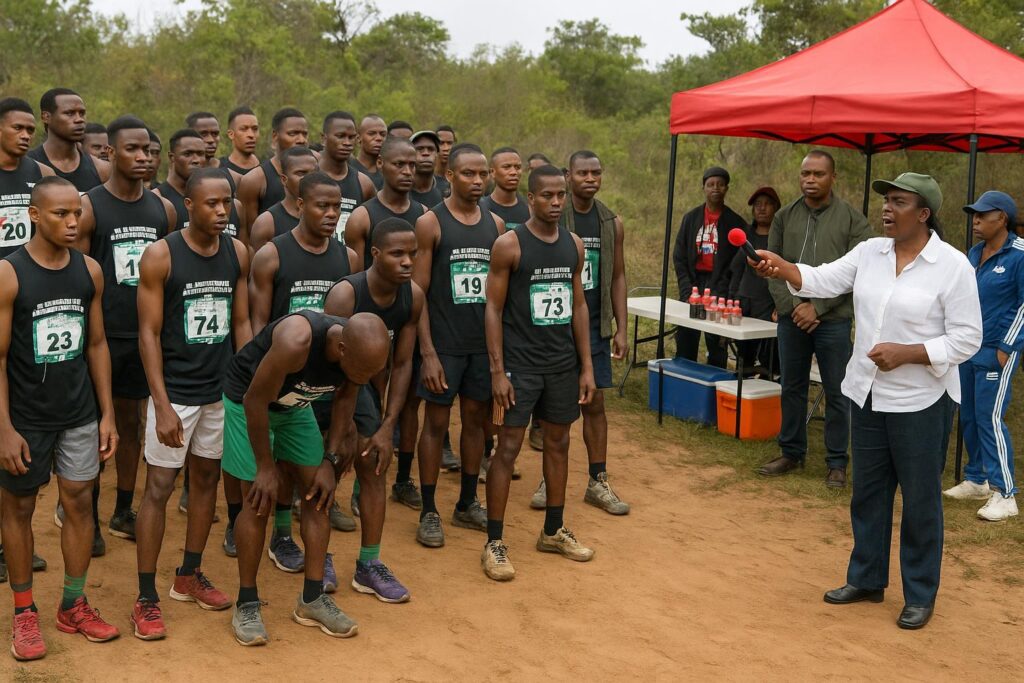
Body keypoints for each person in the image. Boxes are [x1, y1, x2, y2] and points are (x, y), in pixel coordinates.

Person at [753, 172, 982, 630]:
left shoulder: (953, 266)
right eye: (886, 201)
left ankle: (919, 593)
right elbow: (820, 279)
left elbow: (968, 338)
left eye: (898, 202)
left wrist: (909, 353)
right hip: (869, 394)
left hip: (921, 400)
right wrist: (783, 268)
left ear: (924, 213)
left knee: (920, 501)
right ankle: (867, 578)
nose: (886, 209)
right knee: (869, 494)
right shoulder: (869, 253)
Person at [0, 177, 121, 660]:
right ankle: (24, 612)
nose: (72, 222)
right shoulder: (9, 274)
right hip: (25, 418)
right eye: (59, 214)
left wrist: (107, 414)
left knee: (79, 503)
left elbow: (96, 344)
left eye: (77, 214)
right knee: (19, 508)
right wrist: (4, 428)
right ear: (33, 214)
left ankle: (73, 603)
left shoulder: (89, 270)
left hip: (78, 414)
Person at [222, 311, 389, 645]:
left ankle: (312, 599)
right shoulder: (296, 340)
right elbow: (255, 399)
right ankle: (247, 603)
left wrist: (329, 459)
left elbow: (346, 397)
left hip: (295, 406)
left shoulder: (360, 355)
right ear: (342, 349)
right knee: (257, 500)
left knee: (318, 495)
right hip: (250, 405)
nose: (367, 378)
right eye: (363, 371)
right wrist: (265, 467)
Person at [132, 169, 251, 639]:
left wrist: (241, 386)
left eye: (228, 203)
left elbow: (241, 322)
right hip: (176, 393)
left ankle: (189, 573)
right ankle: (145, 597)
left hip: (219, 392)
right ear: (188, 204)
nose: (222, 212)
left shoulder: (236, 252)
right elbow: (148, 333)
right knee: (159, 487)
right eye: (212, 204)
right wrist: (160, 403)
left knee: (206, 481)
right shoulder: (162, 255)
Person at [482, 164, 596, 581]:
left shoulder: (574, 245)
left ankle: (553, 529)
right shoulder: (510, 245)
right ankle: (494, 541)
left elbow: (579, 305)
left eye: (560, 196)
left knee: (559, 442)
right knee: (507, 448)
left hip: (561, 364)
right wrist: (498, 371)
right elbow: (492, 309)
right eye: (546, 195)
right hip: (520, 365)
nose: (555, 202)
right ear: (530, 199)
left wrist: (586, 365)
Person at [249, 172, 360, 567]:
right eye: (322, 206)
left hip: (326, 378)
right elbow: (258, 326)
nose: (332, 214)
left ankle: (316, 550)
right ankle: (280, 534)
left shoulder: (347, 258)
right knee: (277, 460)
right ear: (299, 206)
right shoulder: (272, 254)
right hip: (282, 377)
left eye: (338, 207)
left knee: (322, 457)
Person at [76, 116, 175, 544]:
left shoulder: (163, 208)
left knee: (134, 425)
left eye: (149, 151)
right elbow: (77, 277)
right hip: (102, 336)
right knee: (99, 424)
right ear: (111, 153)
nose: (143, 157)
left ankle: (121, 510)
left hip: (143, 335)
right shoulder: (90, 206)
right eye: (132, 150)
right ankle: (89, 517)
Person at [759, 150, 873, 487]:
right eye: (805, 174)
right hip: (791, 318)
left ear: (833, 177)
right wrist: (794, 306)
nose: (810, 180)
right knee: (791, 385)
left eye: (818, 174)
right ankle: (791, 452)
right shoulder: (784, 216)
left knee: (838, 390)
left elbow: (859, 274)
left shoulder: (853, 221)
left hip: (833, 320)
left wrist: (818, 308)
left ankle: (837, 462)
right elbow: (771, 267)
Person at [324, 218, 424, 601]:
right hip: (329, 386)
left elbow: (402, 364)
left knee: (374, 463)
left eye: (412, 254)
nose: (407, 262)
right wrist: (344, 426)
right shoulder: (346, 295)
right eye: (397, 254)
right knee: (324, 465)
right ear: (376, 254)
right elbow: (332, 365)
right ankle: (318, 553)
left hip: (364, 387)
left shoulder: (412, 296)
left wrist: (387, 425)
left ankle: (369, 564)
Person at [413, 143, 503, 547]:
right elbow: (418, 293)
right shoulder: (431, 223)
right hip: (444, 346)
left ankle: (467, 502)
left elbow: (500, 301)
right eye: (469, 173)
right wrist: (428, 352)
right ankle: (429, 509)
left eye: (483, 174)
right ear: (450, 175)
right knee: (434, 424)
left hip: (481, 348)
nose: (478, 181)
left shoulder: (497, 226)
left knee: (475, 425)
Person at [536, 149, 629, 516]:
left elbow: (618, 275)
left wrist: (620, 327)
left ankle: (597, 479)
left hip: (593, 324)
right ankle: (549, 476)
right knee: (553, 405)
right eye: (582, 173)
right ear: (568, 176)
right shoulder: (556, 216)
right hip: (556, 325)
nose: (590, 179)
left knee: (595, 402)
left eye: (596, 172)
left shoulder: (611, 222)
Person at [944, 191, 1024, 521]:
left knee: (990, 418)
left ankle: (1005, 493)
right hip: (968, 348)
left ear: (1001, 219)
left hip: (997, 351)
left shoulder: (1019, 254)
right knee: (970, 416)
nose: (975, 221)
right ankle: (977, 477)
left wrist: (1007, 347)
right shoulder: (974, 253)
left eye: (982, 215)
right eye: (973, 215)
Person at [672, 166, 745, 367]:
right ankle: (684, 376)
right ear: (703, 188)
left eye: (720, 185)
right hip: (694, 285)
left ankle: (713, 384)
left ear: (726, 189)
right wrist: (687, 289)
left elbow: (737, 263)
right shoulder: (691, 218)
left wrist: (722, 290)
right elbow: (679, 257)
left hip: (719, 286)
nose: (715, 188)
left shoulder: (735, 222)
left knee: (716, 341)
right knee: (687, 334)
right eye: (710, 184)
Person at [345, 136, 426, 270]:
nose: (407, 172)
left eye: (412, 165)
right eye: (399, 164)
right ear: (380, 163)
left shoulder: (424, 215)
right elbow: (355, 279)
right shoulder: (361, 218)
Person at [728, 187, 782, 377]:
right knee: (743, 352)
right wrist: (732, 298)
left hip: (768, 302)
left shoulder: (780, 238)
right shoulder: (746, 237)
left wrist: (781, 304)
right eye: (758, 204)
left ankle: (765, 390)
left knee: (768, 352)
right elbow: (736, 270)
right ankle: (740, 388)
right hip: (744, 300)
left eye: (767, 204)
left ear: (776, 208)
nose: (762, 208)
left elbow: (786, 273)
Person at [155, 129, 244, 239]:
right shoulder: (158, 200)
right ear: (172, 157)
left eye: (201, 154)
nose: (196, 160)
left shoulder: (232, 205)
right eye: (188, 154)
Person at [237, 108, 309, 234]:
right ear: (275, 136)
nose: (301, 140)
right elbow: (248, 237)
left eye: (305, 134)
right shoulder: (254, 180)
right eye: (293, 134)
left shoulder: (318, 171)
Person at [0, 98, 55, 258]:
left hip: (29, 273)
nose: (25, 136)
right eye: (18, 128)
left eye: (30, 130)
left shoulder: (44, 174)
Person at [28, 88, 110, 192]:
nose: (79, 119)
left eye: (82, 113)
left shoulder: (102, 170)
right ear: (46, 117)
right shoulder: (28, 166)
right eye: (69, 113)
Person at [318, 111, 375, 243]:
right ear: (323, 138)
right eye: (340, 136)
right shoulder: (308, 176)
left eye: (351, 137)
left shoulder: (364, 183)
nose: (347, 142)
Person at [249, 146, 317, 252]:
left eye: (313, 174)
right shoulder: (267, 224)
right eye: (301, 173)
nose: (309, 179)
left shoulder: (326, 217)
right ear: (284, 179)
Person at [479, 147, 530, 229]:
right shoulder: (480, 208)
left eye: (517, 167)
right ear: (492, 172)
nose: (514, 172)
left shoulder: (531, 209)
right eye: (506, 167)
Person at [220, 106, 260, 175]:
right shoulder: (220, 170)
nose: (251, 135)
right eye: (243, 129)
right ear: (231, 134)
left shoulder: (266, 170)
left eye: (255, 129)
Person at [409, 130, 444, 209]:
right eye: (420, 149)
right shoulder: (398, 191)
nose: (426, 153)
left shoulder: (446, 190)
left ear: (437, 155)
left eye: (431, 149)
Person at [350, 114, 386, 190]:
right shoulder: (347, 168)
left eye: (383, 134)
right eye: (371, 134)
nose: (379, 138)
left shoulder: (388, 173)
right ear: (358, 138)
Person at [434, 125, 455, 197]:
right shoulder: (428, 180)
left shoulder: (458, 178)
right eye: (441, 143)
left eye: (449, 143)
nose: (446, 148)